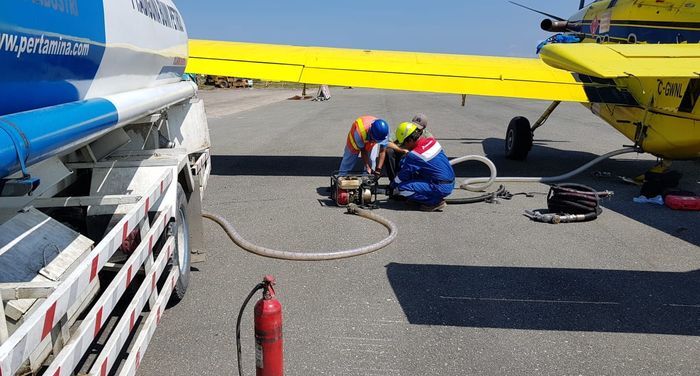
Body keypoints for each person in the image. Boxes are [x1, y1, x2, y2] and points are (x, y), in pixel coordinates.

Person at [390, 121, 455, 212]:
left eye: (404, 143)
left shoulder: (415, 155)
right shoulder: (431, 141)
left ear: (410, 140)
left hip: (440, 186)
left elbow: (403, 175)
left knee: (402, 189)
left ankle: (435, 202)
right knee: (407, 165)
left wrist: (392, 186)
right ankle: (419, 198)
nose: (404, 146)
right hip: (449, 181)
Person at [385, 113, 432, 182]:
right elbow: (387, 142)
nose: (415, 128)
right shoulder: (405, 129)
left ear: (424, 128)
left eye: (418, 128)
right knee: (389, 151)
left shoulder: (428, 137)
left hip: (415, 157)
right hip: (401, 153)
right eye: (414, 125)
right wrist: (401, 150)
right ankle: (393, 180)